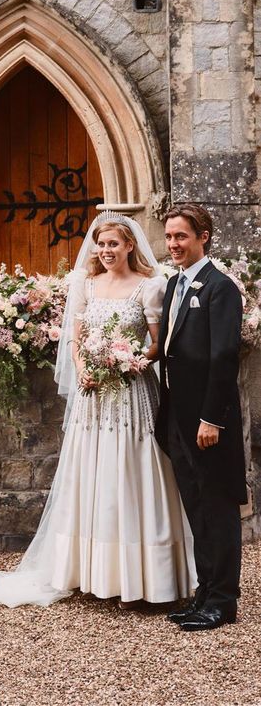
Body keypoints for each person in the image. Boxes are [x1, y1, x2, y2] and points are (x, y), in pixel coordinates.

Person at [0, 213, 194, 608]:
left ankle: (144, 576)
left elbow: (158, 343)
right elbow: (75, 340)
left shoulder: (150, 287)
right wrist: (85, 369)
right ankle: (90, 571)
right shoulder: (85, 284)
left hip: (131, 394)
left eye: (113, 244)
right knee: (93, 472)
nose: (106, 251)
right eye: (101, 244)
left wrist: (130, 361)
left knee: (133, 473)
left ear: (130, 246)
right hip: (93, 397)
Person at [156, 204, 246, 631]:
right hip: (178, 417)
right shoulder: (175, 284)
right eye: (170, 236)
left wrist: (212, 418)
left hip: (209, 424)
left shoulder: (220, 287)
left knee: (218, 507)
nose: (173, 244)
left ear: (203, 236)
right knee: (196, 508)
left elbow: (224, 357)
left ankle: (223, 601)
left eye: (181, 237)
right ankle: (204, 592)